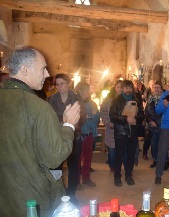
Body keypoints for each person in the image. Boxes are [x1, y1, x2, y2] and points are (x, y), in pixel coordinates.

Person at [0, 46, 80, 216]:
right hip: (31, 199)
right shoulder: (38, 107)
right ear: (24, 69)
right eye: (43, 69)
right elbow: (54, 157)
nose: (46, 75)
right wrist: (69, 125)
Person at [47, 73, 86, 206]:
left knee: (73, 167)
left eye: (62, 83)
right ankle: (57, 192)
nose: (59, 87)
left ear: (68, 84)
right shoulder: (51, 99)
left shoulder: (76, 98)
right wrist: (63, 122)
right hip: (57, 137)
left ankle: (71, 194)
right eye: (57, 84)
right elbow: (48, 118)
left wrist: (70, 124)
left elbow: (82, 118)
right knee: (55, 165)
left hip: (74, 137)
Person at [109, 80, 145, 187]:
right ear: (122, 89)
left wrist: (136, 120)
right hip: (120, 132)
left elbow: (142, 115)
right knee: (119, 155)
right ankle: (117, 176)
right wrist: (126, 119)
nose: (128, 90)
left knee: (131, 155)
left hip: (133, 132)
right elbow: (112, 116)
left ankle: (129, 175)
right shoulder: (116, 100)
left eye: (130, 88)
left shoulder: (137, 100)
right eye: (126, 88)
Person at [75, 81, 100, 187]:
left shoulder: (92, 103)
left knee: (88, 157)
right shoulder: (75, 102)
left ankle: (86, 178)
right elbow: (78, 118)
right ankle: (76, 181)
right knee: (77, 159)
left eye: (88, 89)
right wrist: (90, 116)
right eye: (86, 90)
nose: (88, 92)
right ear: (80, 91)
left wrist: (92, 116)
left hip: (89, 132)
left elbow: (97, 118)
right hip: (78, 134)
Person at [100, 80, 123, 173]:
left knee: (121, 148)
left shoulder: (126, 98)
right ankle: (112, 166)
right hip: (111, 127)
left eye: (122, 87)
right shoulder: (108, 99)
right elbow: (103, 110)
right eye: (118, 87)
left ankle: (118, 166)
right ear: (115, 88)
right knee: (112, 149)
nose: (120, 89)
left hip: (122, 128)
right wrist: (107, 121)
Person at [145, 81, 167, 169]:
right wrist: (150, 121)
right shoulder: (150, 98)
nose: (156, 89)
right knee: (153, 143)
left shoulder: (166, 98)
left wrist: (157, 123)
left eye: (158, 87)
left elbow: (166, 112)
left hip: (162, 125)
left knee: (163, 144)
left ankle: (165, 161)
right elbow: (146, 111)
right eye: (155, 87)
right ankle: (155, 160)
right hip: (152, 126)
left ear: (161, 89)